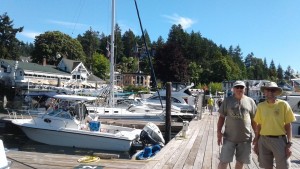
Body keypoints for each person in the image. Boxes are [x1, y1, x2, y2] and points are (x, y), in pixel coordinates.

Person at [253, 82, 296, 169]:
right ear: (264, 92)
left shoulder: (283, 104)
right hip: (263, 140)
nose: (270, 92)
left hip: (279, 140)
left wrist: (289, 144)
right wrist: (256, 141)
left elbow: (288, 125)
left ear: (276, 92)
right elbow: (259, 125)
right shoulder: (261, 106)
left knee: (284, 167)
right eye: (268, 90)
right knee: (266, 167)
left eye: (273, 90)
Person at [217, 80, 257, 169]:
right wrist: (219, 132)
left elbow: (254, 120)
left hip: (245, 139)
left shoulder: (250, 101)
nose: (239, 89)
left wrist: (257, 135)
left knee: (240, 162)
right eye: (237, 87)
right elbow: (221, 117)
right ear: (233, 89)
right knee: (223, 161)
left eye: (241, 87)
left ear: (245, 89)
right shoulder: (227, 100)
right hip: (229, 138)